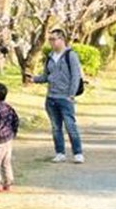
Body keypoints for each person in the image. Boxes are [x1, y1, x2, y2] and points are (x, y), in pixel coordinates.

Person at [29, 28, 85, 163]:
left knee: (70, 126)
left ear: (62, 39)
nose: (51, 42)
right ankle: (60, 153)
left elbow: (76, 76)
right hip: (51, 98)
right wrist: (34, 79)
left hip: (65, 97)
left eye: (54, 39)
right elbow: (46, 76)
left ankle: (78, 153)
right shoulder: (49, 57)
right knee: (56, 128)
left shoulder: (70, 55)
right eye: (50, 40)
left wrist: (71, 94)